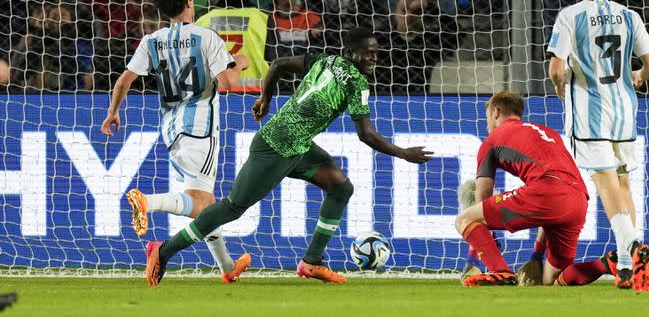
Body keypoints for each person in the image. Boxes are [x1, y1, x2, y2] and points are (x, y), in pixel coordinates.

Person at [144, 27, 433, 287]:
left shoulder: (324, 59)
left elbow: (280, 64)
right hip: (276, 148)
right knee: (233, 207)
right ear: (350, 52)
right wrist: (403, 153)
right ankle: (163, 251)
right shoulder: (357, 83)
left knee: (340, 187)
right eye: (368, 53)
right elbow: (366, 135)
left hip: (297, 145)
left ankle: (311, 262)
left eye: (376, 54)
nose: (373, 58)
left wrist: (265, 99)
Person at [100, 0, 251, 284]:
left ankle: (227, 268)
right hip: (200, 127)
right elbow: (228, 83)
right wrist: (239, 63)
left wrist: (113, 113)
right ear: (188, 3)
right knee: (200, 204)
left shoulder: (151, 41)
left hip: (171, 129)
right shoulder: (206, 37)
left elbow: (124, 80)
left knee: (205, 205)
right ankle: (148, 203)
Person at [547, 0, 649, 291]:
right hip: (625, 112)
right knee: (624, 185)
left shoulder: (570, 15)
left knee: (605, 183)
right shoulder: (629, 16)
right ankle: (627, 270)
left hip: (590, 113)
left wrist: (560, 86)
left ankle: (631, 248)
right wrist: (638, 76)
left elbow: (555, 68)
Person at [456, 91, 614, 288]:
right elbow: (547, 211)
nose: (486, 124)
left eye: (487, 117)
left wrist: (475, 255)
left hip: (547, 191)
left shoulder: (492, 140)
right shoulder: (548, 132)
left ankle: (502, 272)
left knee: (464, 218)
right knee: (553, 279)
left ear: (496, 112)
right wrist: (536, 256)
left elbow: (482, 199)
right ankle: (605, 264)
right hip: (578, 200)